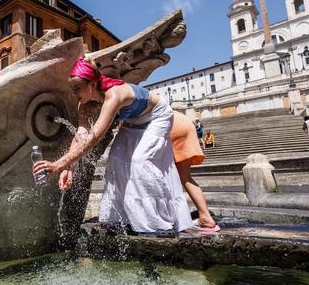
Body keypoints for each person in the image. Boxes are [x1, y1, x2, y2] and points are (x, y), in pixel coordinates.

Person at [34, 57, 192, 235]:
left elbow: (94, 138)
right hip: (132, 120)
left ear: (92, 84)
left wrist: (58, 163)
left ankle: (159, 222)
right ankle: (126, 219)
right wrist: (68, 168)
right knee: (115, 160)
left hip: (157, 116)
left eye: (77, 88)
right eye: (72, 89)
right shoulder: (84, 105)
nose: (74, 93)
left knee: (140, 161)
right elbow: (81, 136)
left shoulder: (114, 95)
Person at [171, 112, 219, 232]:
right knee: (185, 177)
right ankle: (205, 216)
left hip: (169, 124)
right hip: (183, 122)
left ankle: (167, 218)